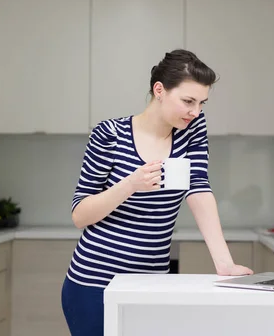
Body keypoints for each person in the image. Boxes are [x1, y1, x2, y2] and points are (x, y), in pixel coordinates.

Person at [60, 49, 253, 336]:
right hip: (94, 284)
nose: (195, 111)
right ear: (159, 90)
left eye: (202, 103)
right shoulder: (109, 134)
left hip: (152, 282)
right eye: (188, 101)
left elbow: (198, 188)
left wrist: (224, 263)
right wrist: (129, 185)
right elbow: (80, 214)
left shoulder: (192, 129)